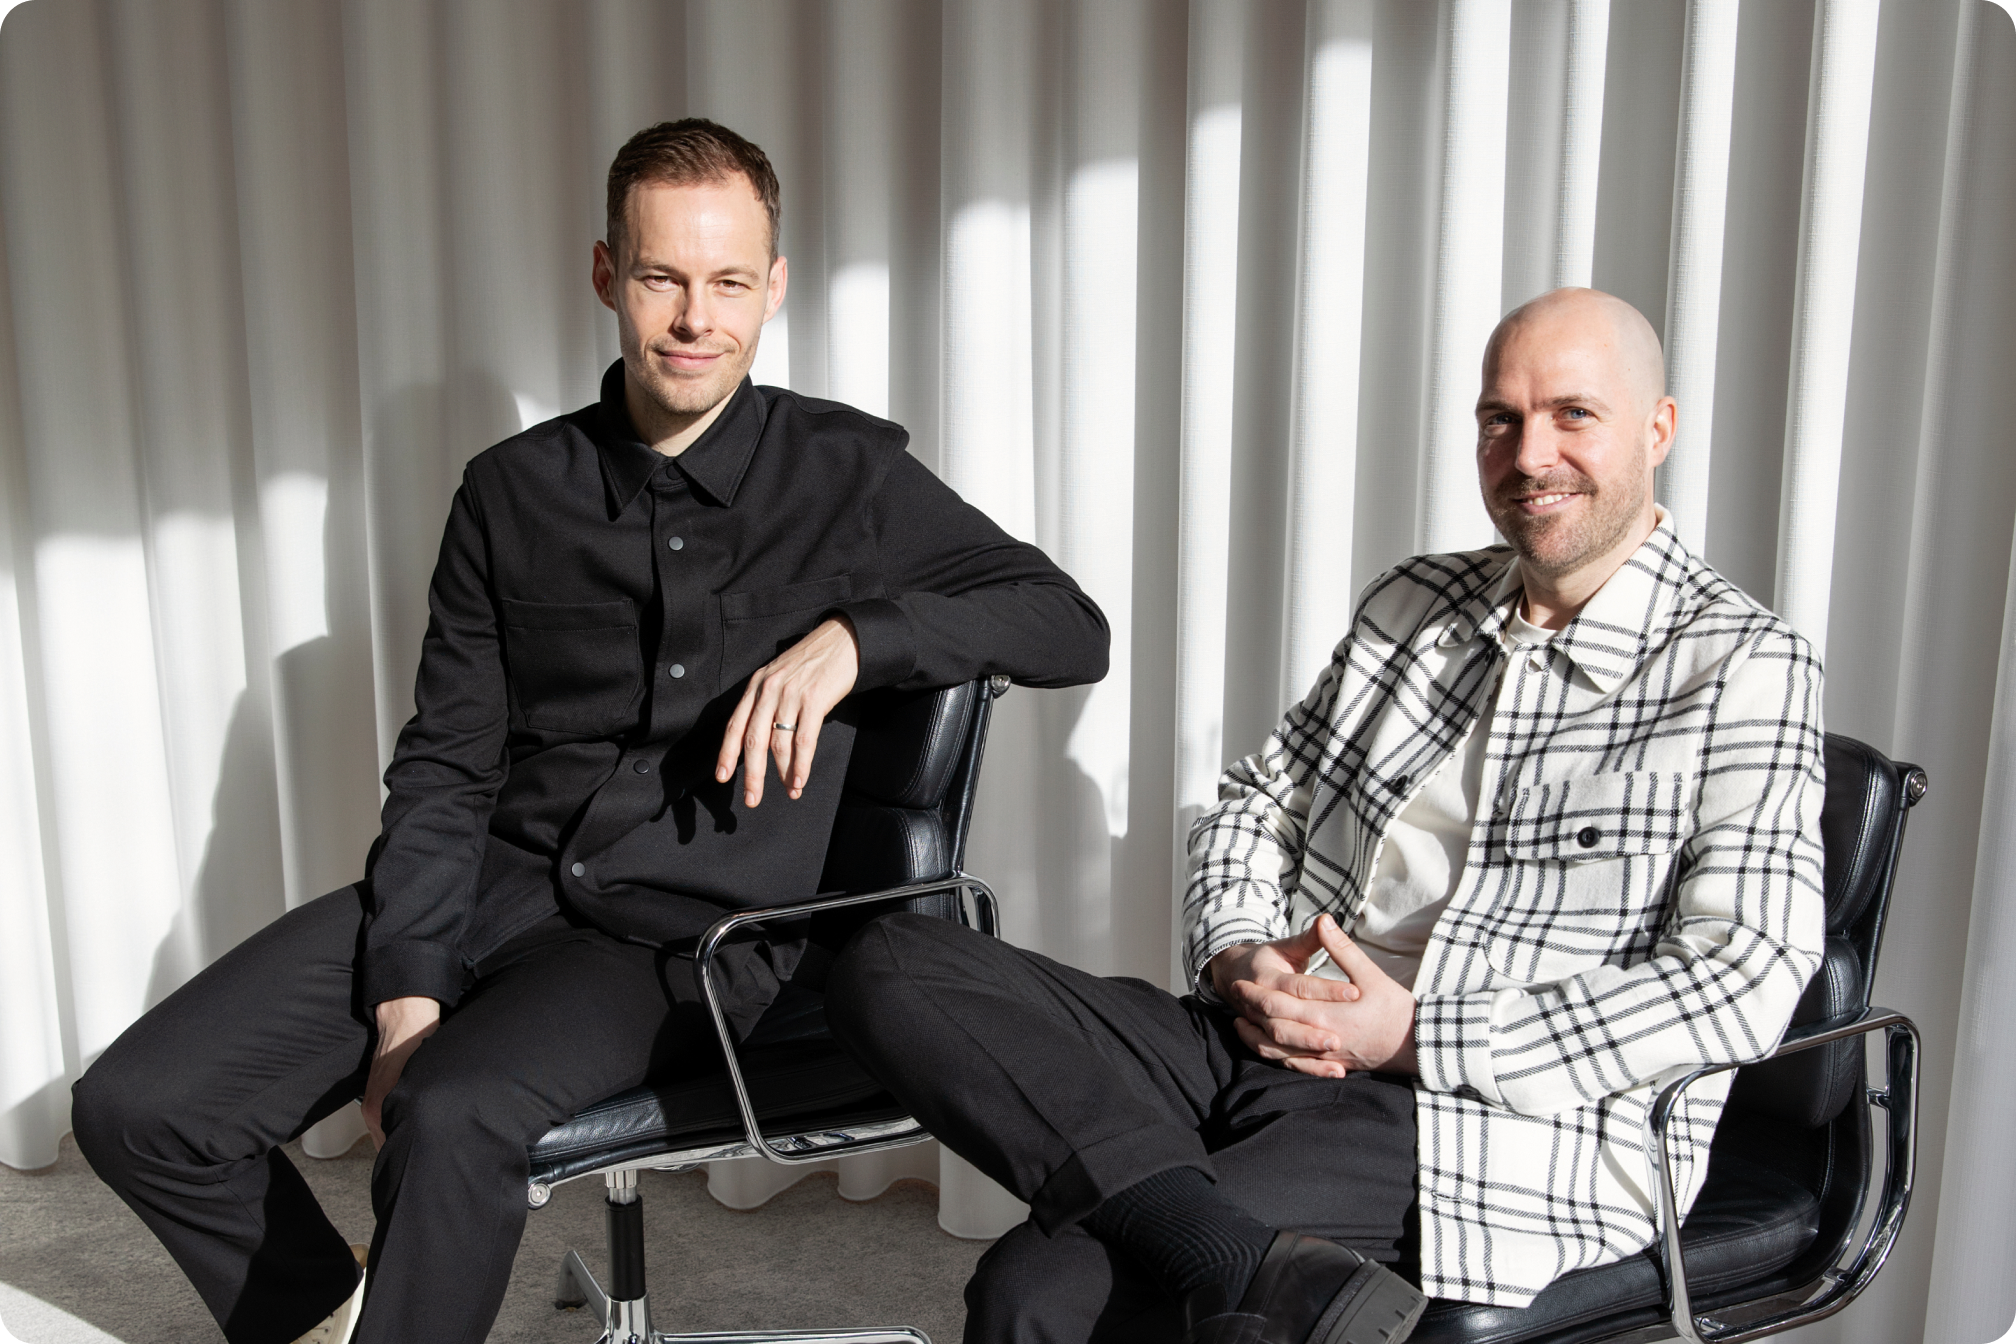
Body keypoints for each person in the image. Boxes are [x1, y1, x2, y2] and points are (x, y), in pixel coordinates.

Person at [70, 118, 1108, 1344]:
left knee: (452, 1114)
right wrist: (407, 990)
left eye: (730, 283)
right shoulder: (510, 493)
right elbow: (446, 765)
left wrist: (858, 639)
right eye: (663, 277)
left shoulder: (850, 477)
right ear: (608, 272)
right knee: (140, 1107)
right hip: (493, 887)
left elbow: (1069, 624)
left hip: (690, 941)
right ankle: (329, 1305)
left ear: (775, 287)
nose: (696, 319)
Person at [829, 287, 1825, 1344]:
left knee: (1039, 1291)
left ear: (1658, 428)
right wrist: (1240, 959)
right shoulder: (1414, 605)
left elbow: (1745, 974)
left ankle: (1204, 1239)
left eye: (1573, 414)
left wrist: (1414, 1033)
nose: (1529, 455)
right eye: (1501, 418)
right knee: (889, 960)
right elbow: (1258, 802)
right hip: (1269, 1035)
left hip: (1473, 1121)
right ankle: (1235, 1253)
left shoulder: (1744, 665)